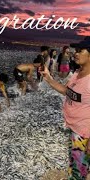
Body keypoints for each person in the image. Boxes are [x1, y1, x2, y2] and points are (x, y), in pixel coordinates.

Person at [40, 37, 90, 179]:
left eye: (80, 51)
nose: (75, 53)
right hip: (74, 128)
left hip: (84, 133)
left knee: (77, 170)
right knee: (79, 164)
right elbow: (66, 91)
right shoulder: (77, 73)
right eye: (76, 50)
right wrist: (49, 78)